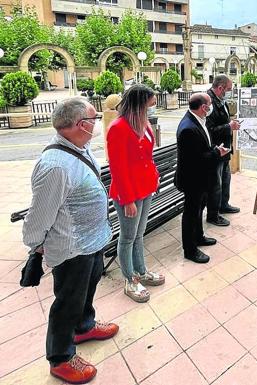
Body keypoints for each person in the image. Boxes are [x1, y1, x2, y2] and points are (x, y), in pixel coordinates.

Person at [22, 97, 118, 384]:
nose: (98, 123)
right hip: (72, 247)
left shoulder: (80, 147)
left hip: (92, 240)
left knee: (87, 289)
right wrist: (35, 245)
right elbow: (39, 216)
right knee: (67, 302)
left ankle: (84, 325)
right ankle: (61, 357)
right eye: (94, 118)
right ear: (81, 125)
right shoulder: (55, 166)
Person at [107, 85, 165, 303]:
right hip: (128, 191)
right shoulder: (118, 127)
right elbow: (117, 168)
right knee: (128, 237)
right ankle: (129, 279)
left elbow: (148, 157)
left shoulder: (143, 123)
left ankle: (141, 271)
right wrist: (127, 199)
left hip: (146, 186)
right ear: (140, 103)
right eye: (150, 103)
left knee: (140, 234)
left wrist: (155, 176)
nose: (152, 107)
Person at [175, 93, 230, 263]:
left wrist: (213, 148)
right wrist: (216, 152)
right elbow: (195, 160)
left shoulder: (197, 120)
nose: (211, 106)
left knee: (199, 209)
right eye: (209, 104)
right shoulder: (188, 128)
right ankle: (190, 250)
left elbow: (201, 148)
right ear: (203, 107)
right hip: (193, 179)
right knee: (191, 213)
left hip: (201, 178)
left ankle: (198, 237)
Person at [205, 75, 241, 227]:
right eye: (228, 90)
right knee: (215, 184)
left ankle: (223, 205)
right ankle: (213, 215)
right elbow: (208, 130)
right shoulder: (208, 102)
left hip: (224, 148)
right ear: (220, 88)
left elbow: (224, 121)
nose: (229, 92)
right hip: (216, 150)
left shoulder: (220, 100)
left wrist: (230, 124)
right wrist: (229, 127)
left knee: (226, 179)